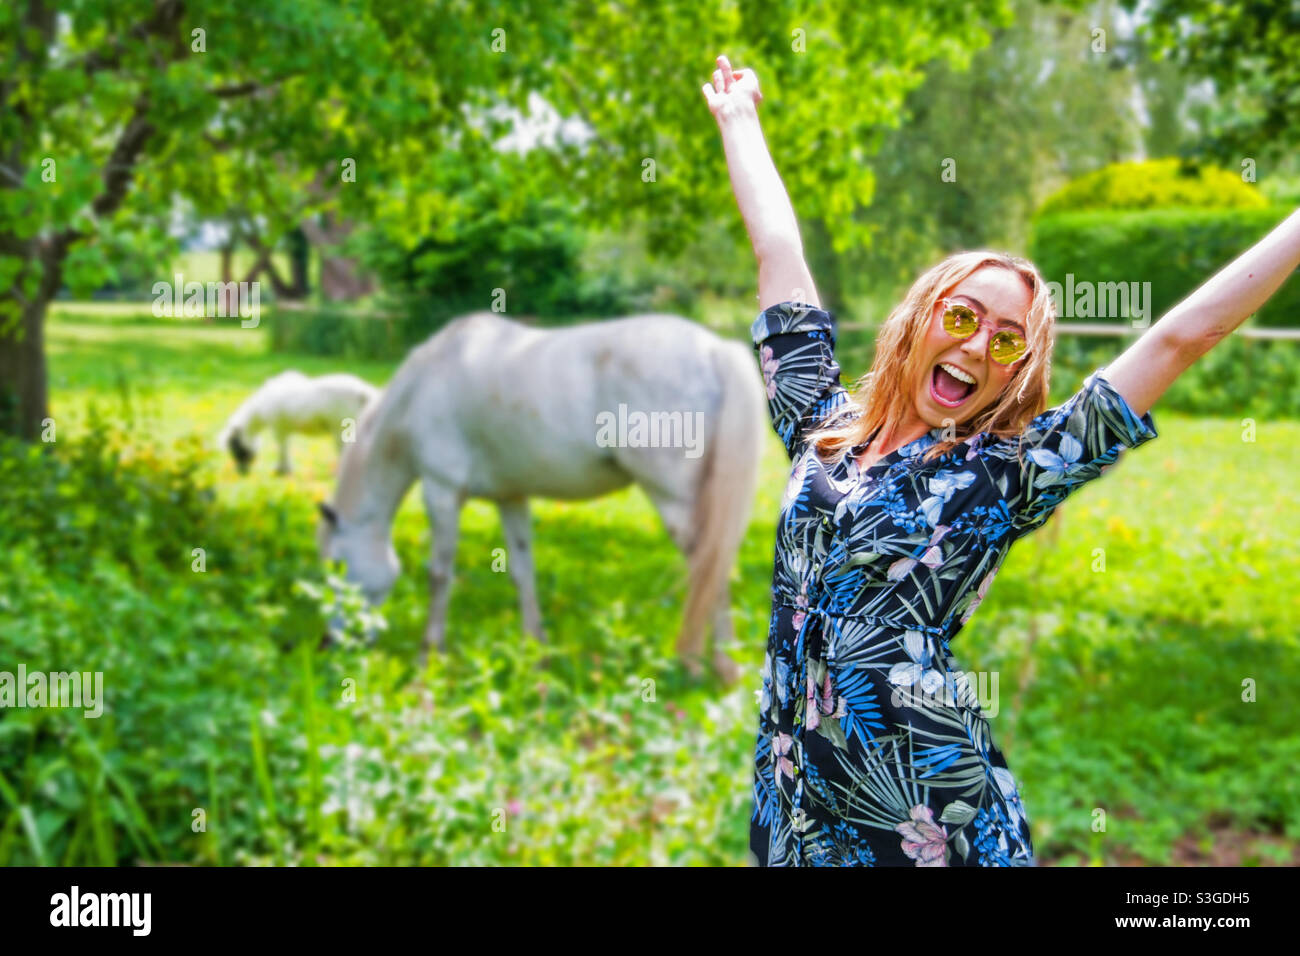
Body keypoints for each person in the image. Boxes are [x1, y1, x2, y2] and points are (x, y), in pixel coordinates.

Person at [703, 53, 1300, 866]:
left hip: (927, 817)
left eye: (1007, 341)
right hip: (795, 802)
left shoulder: (1005, 473)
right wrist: (740, 120)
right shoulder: (821, 427)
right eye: (964, 317)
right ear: (919, 320)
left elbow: (1178, 338)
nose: (979, 344)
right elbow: (778, 251)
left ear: (1014, 372)